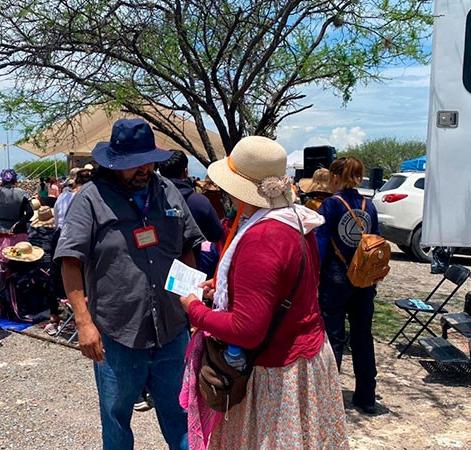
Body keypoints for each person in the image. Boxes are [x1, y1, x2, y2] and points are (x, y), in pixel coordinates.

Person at [178, 136, 348, 449]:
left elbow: (247, 330)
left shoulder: (261, 238)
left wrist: (194, 309)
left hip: (278, 371)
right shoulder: (297, 221)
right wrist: (228, 288)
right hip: (307, 357)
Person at [55, 118, 203, 450]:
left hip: (171, 330)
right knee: (116, 418)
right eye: (135, 163)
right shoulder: (92, 198)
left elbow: (187, 249)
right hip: (118, 332)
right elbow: (70, 261)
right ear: (115, 163)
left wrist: (191, 303)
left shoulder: (166, 192)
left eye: (148, 160)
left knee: (181, 415)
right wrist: (83, 322)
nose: (144, 168)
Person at [316, 156, 380, 414]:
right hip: (364, 279)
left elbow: (320, 245)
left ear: (334, 177)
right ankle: (366, 396)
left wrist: (314, 277)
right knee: (363, 335)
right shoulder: (370, 206)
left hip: (335, 279)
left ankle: (329, 398)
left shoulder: (331, 206)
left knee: (333, 337)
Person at [157, 150, 224, 276]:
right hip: (190, 270)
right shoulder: (199, 202)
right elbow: (216, 234)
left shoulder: (151, 200)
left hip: (156, 271)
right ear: (185, 172)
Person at [0, 169, 34, 264]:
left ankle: (0, 278)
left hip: (0, 230)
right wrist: (19, 224)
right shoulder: (23, 193)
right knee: (18, 260)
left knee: (1, 260)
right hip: (18, 231)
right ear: (15, 180)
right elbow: (30, 212)